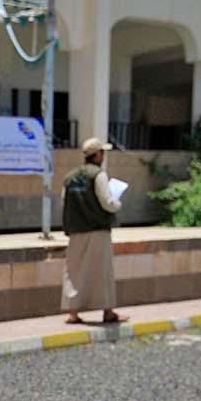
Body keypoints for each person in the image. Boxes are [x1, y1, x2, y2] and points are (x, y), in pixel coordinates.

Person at [59, 136, 126, 325]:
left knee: (73, 271)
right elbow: (107, 202)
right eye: (102, 152)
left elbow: (64, 202)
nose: (103, 156)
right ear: (97, 155)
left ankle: (73, 313)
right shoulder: (99, 175)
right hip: (98, 230)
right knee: (102, 271)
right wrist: (118, 204)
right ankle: (107, 312)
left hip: (76, 231)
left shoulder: (69, 178)